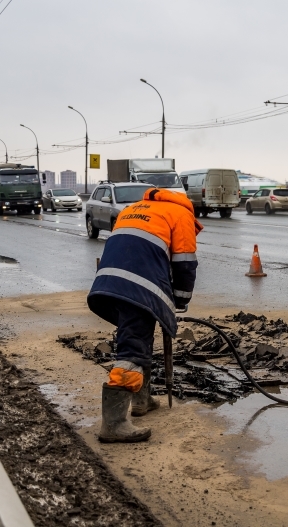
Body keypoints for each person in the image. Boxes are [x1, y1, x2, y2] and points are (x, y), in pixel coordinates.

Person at [87, 187, 202, 443]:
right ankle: (113, 424)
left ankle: (142, 400)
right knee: (133, 347)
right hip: (138, 285)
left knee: (139, 335)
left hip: (107, 283)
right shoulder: (180, 213)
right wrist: (181, 301)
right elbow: (184, 263)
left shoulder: (135, 209)